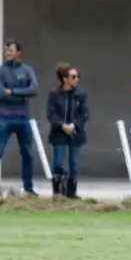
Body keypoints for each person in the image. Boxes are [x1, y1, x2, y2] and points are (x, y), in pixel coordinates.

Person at [0, 39, 40, 197]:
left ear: (18, 53)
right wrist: (22, 93)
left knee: (27, 152)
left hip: (23, 118)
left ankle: (28, 188)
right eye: (6, 51)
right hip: (5, 118)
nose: (7, 53)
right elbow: (1, 93)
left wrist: (13, 91)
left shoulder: (27, 69)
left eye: (10, 50)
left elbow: (35, 90)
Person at [47, 63, 88, 198]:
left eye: (77, 76)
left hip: (75, 133)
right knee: (58, 162)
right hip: (59, 132)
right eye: (74, 77)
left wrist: (74, 125)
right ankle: (57, 191)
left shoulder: (80, 94)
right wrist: (62, 125)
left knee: (74, 163)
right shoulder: (54, 94)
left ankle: (72, 192)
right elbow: (51, 113)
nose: (77, 79)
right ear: (65, 79)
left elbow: (84, 114)